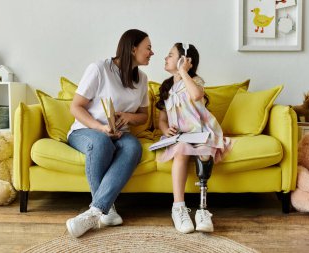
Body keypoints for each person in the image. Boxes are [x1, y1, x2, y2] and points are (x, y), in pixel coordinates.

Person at [66, 29, 154, 238]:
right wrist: (100, 127)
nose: (152, 53)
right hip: (86, 130)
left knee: (133, 147)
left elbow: (143, 116)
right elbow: (76, 107)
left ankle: (96, 211)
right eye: (148, 48)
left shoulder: (142, 78)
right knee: (102, 143)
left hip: (119, 134)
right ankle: (106, 209)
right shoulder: (99, 69)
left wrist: (128, 117)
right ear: (133, 49)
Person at [155, 43, 233, 234]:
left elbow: (197, 95)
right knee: (181, 152)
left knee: (205, 154)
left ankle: (202, 210)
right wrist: (166, 130)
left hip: (201, 131)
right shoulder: (166, 86)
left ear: (184, 60)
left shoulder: (195, 81)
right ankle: (178, 207)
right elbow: (162, 119)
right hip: (181, 136)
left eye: (170, 55)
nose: (166, 58)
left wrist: (183, 72)